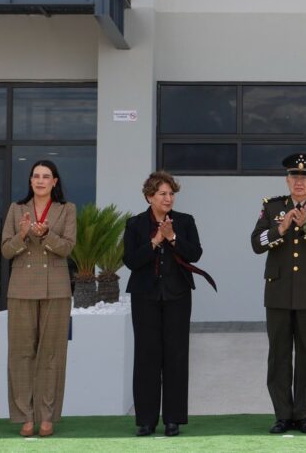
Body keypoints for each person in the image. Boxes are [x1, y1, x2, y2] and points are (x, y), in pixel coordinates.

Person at [251, 153, 306, 435]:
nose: (299, 182)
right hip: (277, 292)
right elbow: (256, 243)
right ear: (287, 180)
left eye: (305, 178)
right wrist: (282, 227)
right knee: (278, 356)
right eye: (294, 177)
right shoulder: (272, 207)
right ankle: (281, 415)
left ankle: (302, 415)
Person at [124, 171, 205, 437]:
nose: (168, 198)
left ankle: (173, 419)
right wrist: (155, 241)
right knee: (146, 356)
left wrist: (172, 238)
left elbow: (195, 253)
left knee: (176, 357)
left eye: (171, 193)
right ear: (149, 197)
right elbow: (131, 261)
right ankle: (146, 420)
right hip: (145, 296)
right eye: (162, 194)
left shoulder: (185, 221)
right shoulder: (135, 224)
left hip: (178, 296)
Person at [0, 160, 76, 437]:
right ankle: (25, 416)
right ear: (30, 181)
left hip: (56, 288)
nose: (40, 181)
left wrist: (47, 235)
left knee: (52, 353)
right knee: (20, 353)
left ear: (55, 181)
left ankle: (47, 416)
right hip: (21, 287)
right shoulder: (16, 209)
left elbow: (67, 247)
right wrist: (22, 234)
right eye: (36, 176)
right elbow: (6, 250)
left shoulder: (67, 209)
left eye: (46, 176)